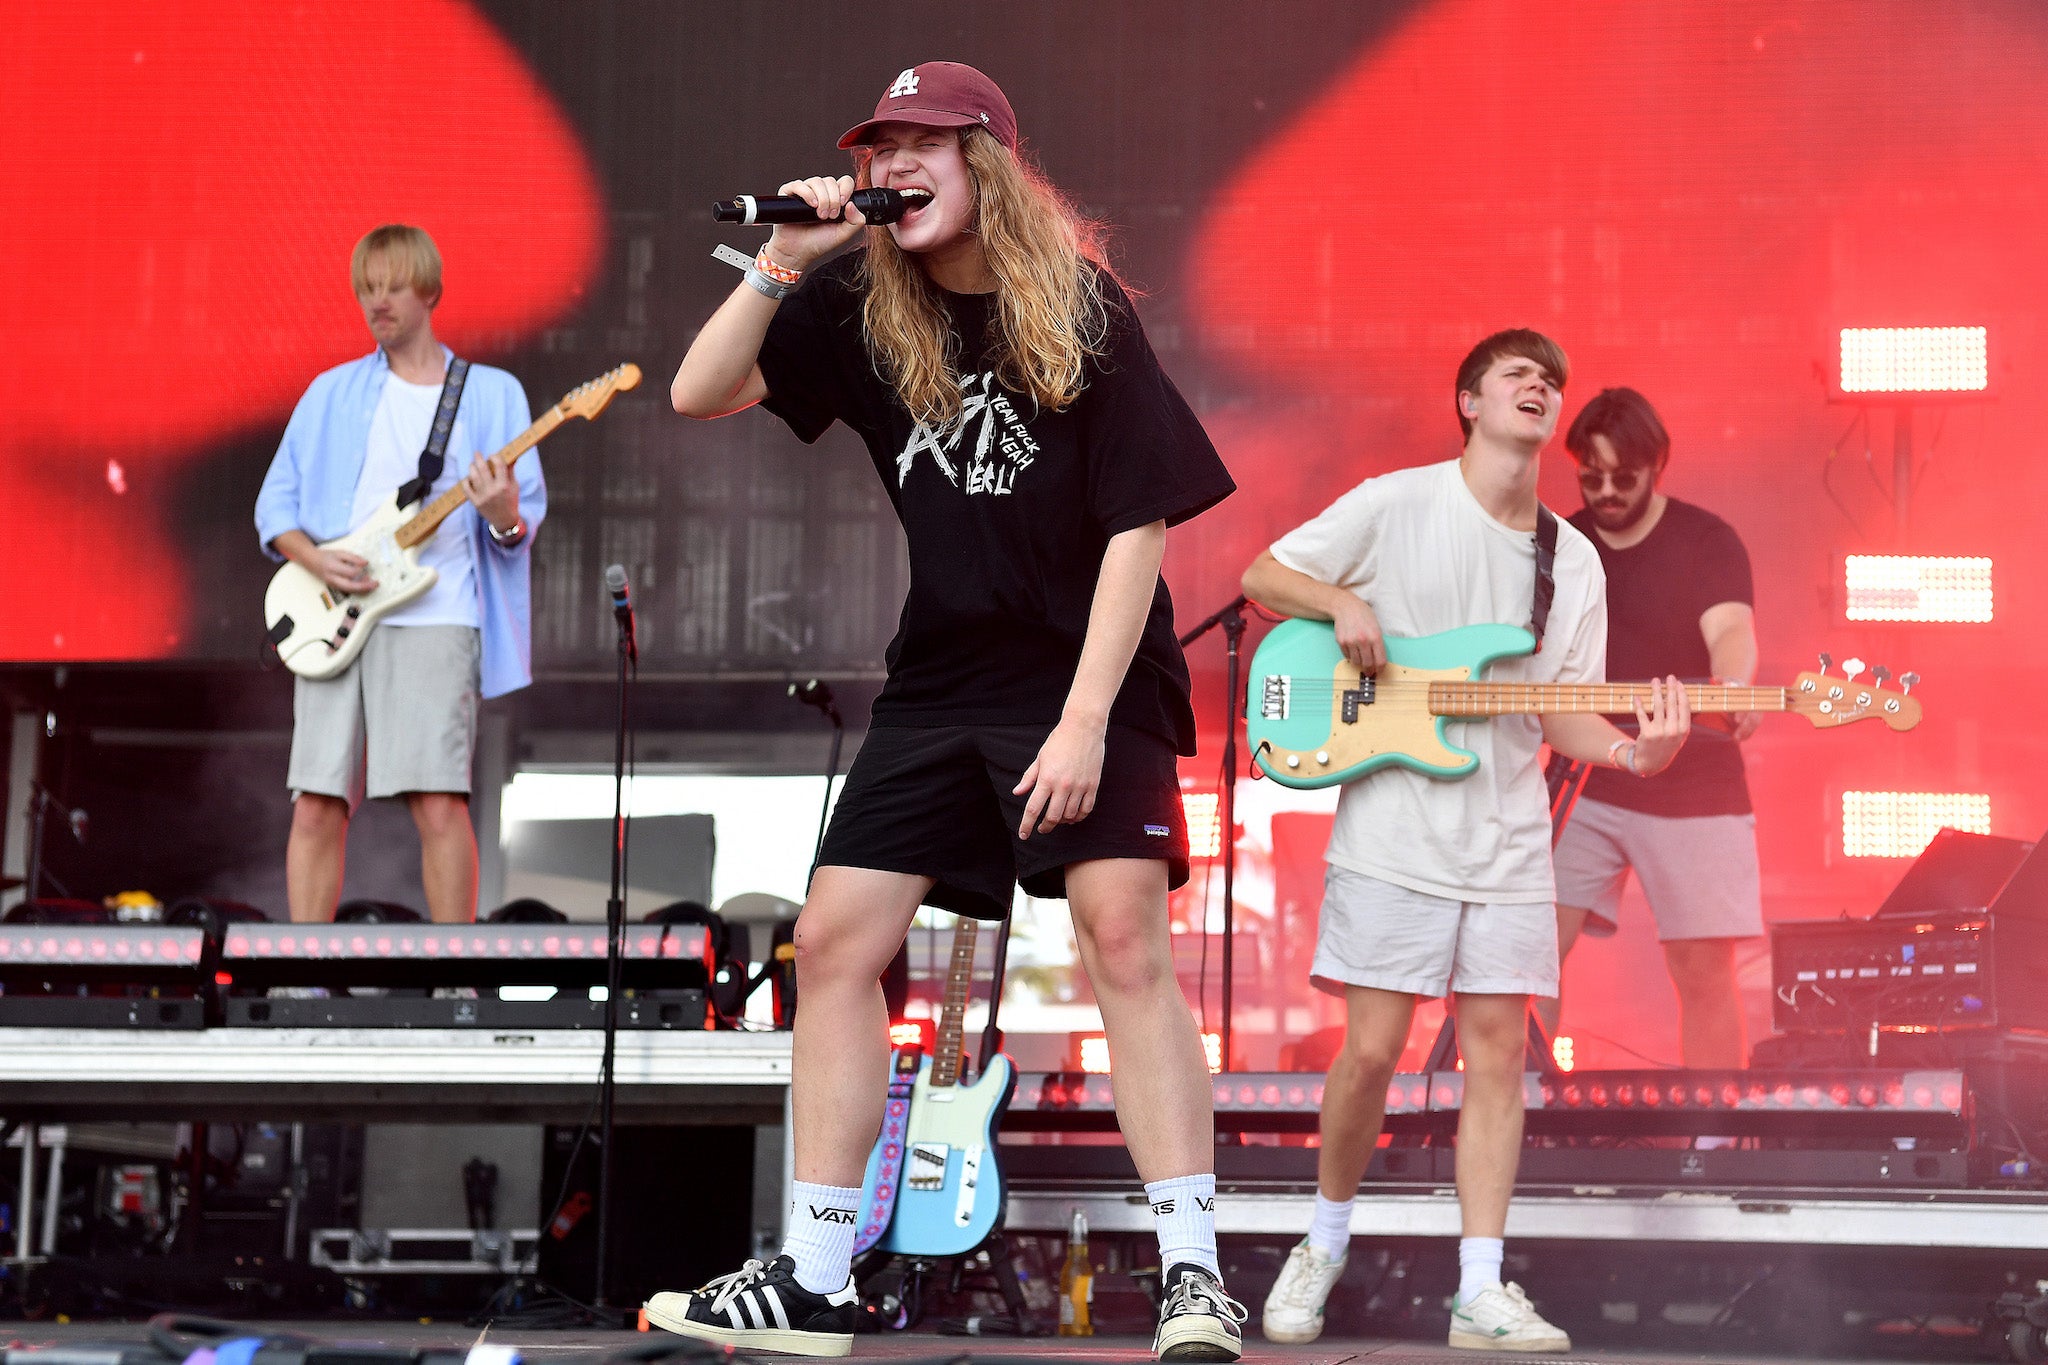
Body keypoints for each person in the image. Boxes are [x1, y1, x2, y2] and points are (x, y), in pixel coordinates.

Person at [653, 62, 1243, 1360]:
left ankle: (1194, 1269)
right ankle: (816, 1275)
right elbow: (699, 392)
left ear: (991, 165)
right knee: (832, 942)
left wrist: (1088, 720)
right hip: (945, 675)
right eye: (880, 146)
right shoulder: (867, 310)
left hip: (1087, 662)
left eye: (925, 142)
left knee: (1120, 932)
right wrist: (781, 260)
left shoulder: (1079, 306)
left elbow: (1141, 522)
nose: (893, 164)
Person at [1240, 332, 1691, 1352]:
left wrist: (1635, 760)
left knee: (1498, 1057)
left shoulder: (1567, 559)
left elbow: (1565, 712)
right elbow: (1261, 573)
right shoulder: (1393, 503)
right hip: (1393, 832)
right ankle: (1322, 1238)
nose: (1539, 387)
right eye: (1516, 375)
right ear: (1467, 401)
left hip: (1506, 843)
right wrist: (1341, 600)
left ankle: (1479, 1288)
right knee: (1368, 1055)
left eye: (1550, 380)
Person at [255, 224, 544, 925]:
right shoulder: (330, 392)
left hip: (438, 615)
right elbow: (275, 507)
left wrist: (501, 510)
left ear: (430, 291)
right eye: (367, 289)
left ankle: (454, 983)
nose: (377, 302)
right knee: (317, 800)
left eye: (391, 286)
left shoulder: (490, 393)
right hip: (335, 613)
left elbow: (517, 522)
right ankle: (306, 979)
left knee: (439, 800)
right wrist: (317, 557)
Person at [1536, 387, 1761, 1069]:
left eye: (1622, 476)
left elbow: (1731, 629)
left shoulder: (1707, 539)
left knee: (1701, 969)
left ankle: (1716, 1145)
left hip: (1697, 782)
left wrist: (1734, 686)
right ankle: (1520, 1120)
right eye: (1589, 474)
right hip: (1586, 772)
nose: (1605, 490)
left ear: (1657, 465)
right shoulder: (1560, 546)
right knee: (1531, 953)